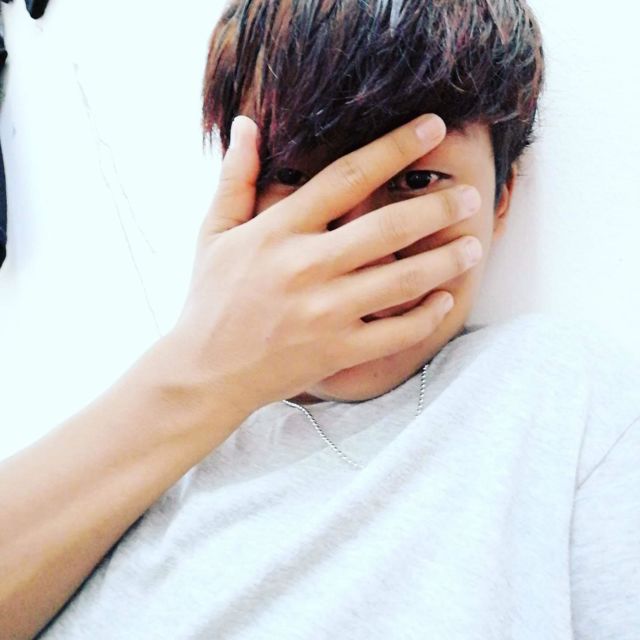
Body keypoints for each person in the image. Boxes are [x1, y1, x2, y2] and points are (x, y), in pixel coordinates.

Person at [1, 0, 638, 638]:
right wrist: (201, 366)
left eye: (417, 181)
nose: (358, 245)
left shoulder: (558, 397)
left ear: (502, 197)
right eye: (292, 174)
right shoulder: (134, 441)